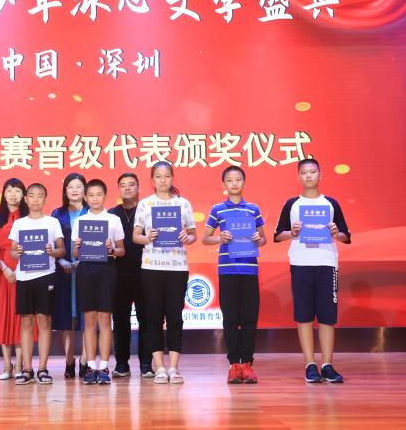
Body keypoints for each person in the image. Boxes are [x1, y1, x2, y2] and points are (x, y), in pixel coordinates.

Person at [274, 158, 351, 383]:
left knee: (327, 317)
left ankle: (327, 365)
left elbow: (346, 236)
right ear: (298, 176)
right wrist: (292, 233)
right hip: (301, 264)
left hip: (327, 264)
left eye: (313, 172)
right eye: (304, 172)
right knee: (304, 315)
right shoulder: (292, 204)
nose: (308, 175)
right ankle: (310, 364)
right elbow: (278, 235)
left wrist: (336, 233)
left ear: (320, 175)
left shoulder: (331, 203)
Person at [133, 161, 196, 384]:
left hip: (177, 267)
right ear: (152, 180)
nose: (163, 180)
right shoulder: (145, 204)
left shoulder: (183, 203)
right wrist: (147, 238)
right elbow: (136, 236)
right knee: (154, 317)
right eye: (158, 176)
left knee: (175, 317)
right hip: (151, 267)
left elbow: (192, 234)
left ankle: (174, 368)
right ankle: (159, 366)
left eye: (167, 176)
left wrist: (187, 237)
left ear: (172, 178)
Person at [202, 166, 266, 384]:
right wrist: (220, 238)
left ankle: (247, 363)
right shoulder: (217, 209)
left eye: (238, 179)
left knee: (249, 318)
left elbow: (263, 239)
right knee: (230, 319)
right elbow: (206, 238)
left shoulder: (253, 209)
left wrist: (258, 239)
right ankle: (234, 365)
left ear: (244, 183)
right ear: (224, 184)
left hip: (249, 270)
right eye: (230, 180)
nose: (234, 183)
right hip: (227, 270)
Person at [9, 183, 65, 385]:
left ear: (45, 199)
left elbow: (62, 250)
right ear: (25, 199)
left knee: (44, 321)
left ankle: (42, 368)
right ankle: (26, 369)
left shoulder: (52, 222)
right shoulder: (19, 224)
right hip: (24, 277)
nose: (35, 199)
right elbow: (12, 252)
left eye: (40, 196)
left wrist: (52, 251)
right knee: (26, 321)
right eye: (31, 196)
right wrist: (18, 253)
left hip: (46, 275)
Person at [72, 178, 125, 385]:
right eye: (91, 195)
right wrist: (77, 247)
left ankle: (104, 366)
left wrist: (112, 248)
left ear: (105, 196)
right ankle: (91, 366)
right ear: (85, 197)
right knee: (89, 321)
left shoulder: (113, 219)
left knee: (104, 320)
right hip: (86, 270)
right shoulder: (80, 221)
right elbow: (75, 254)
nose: (95, 199)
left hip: (107, 270)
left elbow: (122, 250)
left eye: (99, 195)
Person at [108, 173, 153, 378]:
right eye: (123, 185)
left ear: (138, 187)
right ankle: (121, 364)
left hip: (145, 272)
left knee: (147, 320)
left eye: (131, 185)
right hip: (117, 274)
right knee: (120, 321)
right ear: (118, 189)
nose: (127, 188)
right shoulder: (112, 214)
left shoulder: (147, 210)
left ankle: (146, 364)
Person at [0, 178, 30, 380]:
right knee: (3, 317)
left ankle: (20, 364)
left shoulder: (29, 218)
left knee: (21, 317)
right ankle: (7, 365)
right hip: (1, 272)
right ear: (4, 194)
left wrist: (20, 269)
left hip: (26, 270)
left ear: (23, 195)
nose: (13, 194)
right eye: (9, 190)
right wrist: (5, 269)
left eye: (17, 191)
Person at [50, 173, 89, 378]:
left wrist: (85, 260)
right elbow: (51, 243)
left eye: (78, 186)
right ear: (65, 190)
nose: (74, 190)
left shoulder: (92, 212)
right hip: (63, 272)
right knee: (66, 317)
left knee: (87, 317)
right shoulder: (57, 214)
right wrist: (61, 261)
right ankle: (69, 361)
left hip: (87, 270)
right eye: (70, 187)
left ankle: (85, 360)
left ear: (85, 190)